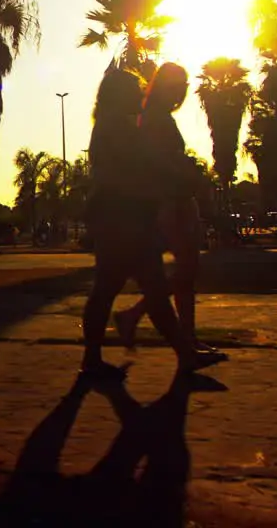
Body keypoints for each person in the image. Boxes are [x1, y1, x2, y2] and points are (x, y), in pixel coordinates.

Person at [79, 65, 224, 379]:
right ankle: (179, 355)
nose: (141, 93)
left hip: (128, 216)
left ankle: (180, 355)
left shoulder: (116, 126)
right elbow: (144, 167)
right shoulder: (117, 129)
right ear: (119, 95)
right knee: (123, 288)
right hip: (121, 217)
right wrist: (179, 176)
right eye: (134, 88)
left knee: (136, 288)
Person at [111, 63, 216, 353]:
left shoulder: (161, 116)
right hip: (168, 200)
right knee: (184, 270)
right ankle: (137, 316)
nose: (183, 89)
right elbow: (155, 160)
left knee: (187, 271)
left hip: (180, 197)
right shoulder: (153, 118)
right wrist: (183, 170)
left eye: (184, 83)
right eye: (178, 83)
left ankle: (186, 336)